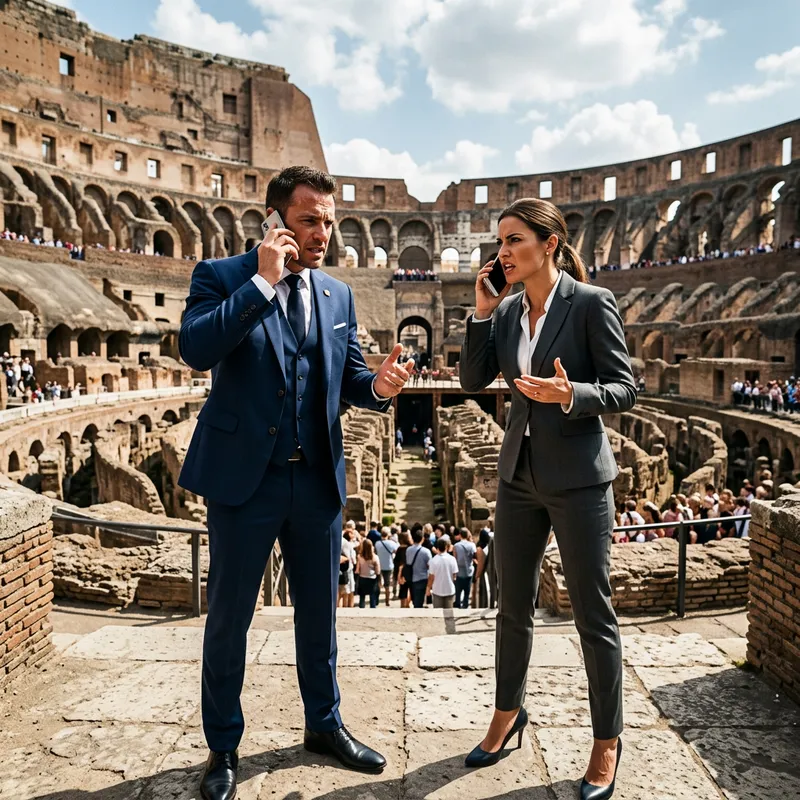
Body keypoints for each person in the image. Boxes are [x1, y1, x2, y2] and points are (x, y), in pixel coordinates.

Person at [178, 166, 415, 798]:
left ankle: (324, 724)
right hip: (244, 482)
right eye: (310, 221)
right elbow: (196, 348)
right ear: (277, 222)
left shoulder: (338, 295)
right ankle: (223, 747)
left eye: (329, 222)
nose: (323, 234)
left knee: (319, 616)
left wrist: (381, 388)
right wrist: (262, 280)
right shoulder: (222, 276)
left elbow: (350, 376)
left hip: (315, 481)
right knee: (229, 618)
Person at [459, 197, 635, 797]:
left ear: (549, 245)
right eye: (500, 243)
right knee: (512, 604)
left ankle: (606, 741)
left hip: (580, 478)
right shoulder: (506, 313)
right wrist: (482, 315)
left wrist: (572, 394)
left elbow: (624, 387)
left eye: (514, 241)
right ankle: (507, 714)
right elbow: (472, 381)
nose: (502, 253)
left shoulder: (590, 304)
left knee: (593, 614)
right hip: (519, 475)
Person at [427, 538, 458, 608]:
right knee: (449, 613)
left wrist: (428, 588)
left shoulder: (433, 560)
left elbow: (431, 577)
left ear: (437, 548)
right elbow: (454, 575)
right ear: (446, 547)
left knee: (437, 614)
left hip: (437, 590)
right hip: (449, 590)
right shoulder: (452, 559)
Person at [404, 528, 431, 608]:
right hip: (422, 578)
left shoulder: (408, 550)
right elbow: (430, 566)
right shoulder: (426, 552)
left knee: (415, 600)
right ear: (422, 539)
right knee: (419, 602)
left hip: (411, 578)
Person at [453, 528, 476, 609]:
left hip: (459, 571)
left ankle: (458, 605)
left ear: (460, 535)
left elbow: (454, 559)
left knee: (458, 591)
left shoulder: (456, 546)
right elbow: (474, 557)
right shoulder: (472, 545)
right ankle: (465, 606)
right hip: (469, 571)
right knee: (467, 591)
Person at [376, 527, 399, 606]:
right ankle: (387, 600)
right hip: (388, 565)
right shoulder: (392, 543)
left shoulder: (377, 543)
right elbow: (397, 551)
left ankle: (376, 599)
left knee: (378, 583)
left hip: (379, 565)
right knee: (387, 584)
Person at [356, 538, 380, 608]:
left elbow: (357, 570)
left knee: (362, 596)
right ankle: (372, 609)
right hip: (372, 578)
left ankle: (361, 609)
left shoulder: (359, 557)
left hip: (362, 578)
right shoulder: (375, 557)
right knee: (372, 596)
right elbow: (378, 571)